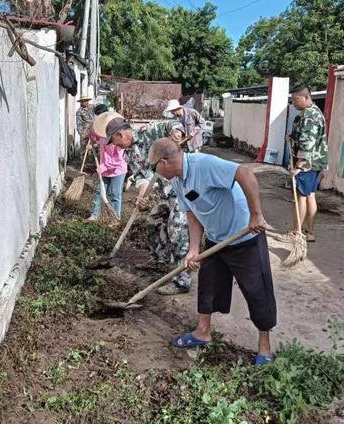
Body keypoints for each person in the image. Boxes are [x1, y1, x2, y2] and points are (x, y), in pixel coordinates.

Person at [148, 138, 276, 365]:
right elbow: (192, 213)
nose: (154, 172)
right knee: (208, 287)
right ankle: (203, 331)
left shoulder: (203, 165)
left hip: (245, 236)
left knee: (257, 291)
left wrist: (256, 214)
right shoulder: (178, 180)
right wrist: (194, 249)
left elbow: (244, 172)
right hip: (217, 240)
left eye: (153, 166)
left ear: (164, 162)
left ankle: (264, 347)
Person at [96, 114, 191, 294]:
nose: (115, 146)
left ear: (121, 134)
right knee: (153, 223)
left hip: (181, 189)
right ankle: (158, 261)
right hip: (164, 194)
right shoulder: (129, 154)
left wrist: (176, 133)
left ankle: (182, 281)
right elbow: (142, 176)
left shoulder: (149, 132)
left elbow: (172, 123)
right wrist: (142, 196)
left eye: (114, 141)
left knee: (177, 231)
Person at [283, 84, 328, 242]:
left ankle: (296, 232)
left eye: (295, 99)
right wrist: (292, 137)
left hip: (308, 164)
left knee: (302, 196)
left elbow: (308, 143)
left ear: (306, 97)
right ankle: (310, 233)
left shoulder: (309, 116)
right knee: (310, 196)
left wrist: (299, 167)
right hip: (317, 162)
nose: (293, 103)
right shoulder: (315, 113)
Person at [88, 105, 127, 221]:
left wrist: (103, 167)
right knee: (99, 191)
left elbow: (118, 159)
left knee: (115, 195)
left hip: (117, 170)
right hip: (104, 169)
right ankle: (94, 215)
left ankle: (115, 219)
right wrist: (92, 129)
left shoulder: (118, 136)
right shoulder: (102, 132)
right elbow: (94, 137)